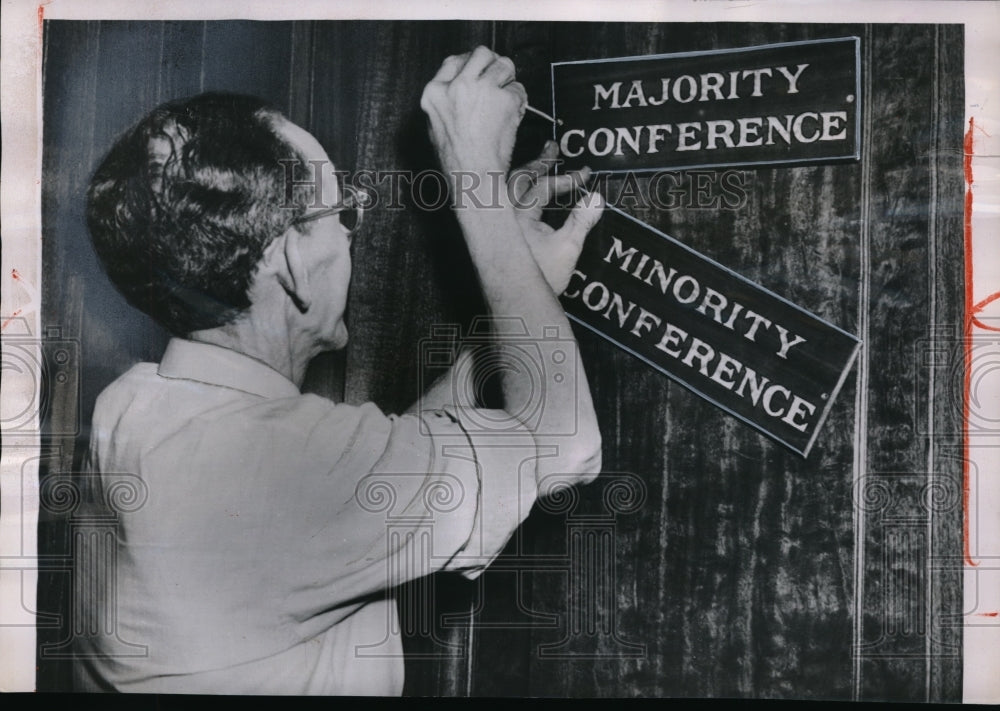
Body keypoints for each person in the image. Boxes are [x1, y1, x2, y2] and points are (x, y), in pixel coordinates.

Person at [72, 46, 604, 694]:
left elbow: (371, 477)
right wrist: (478, 190)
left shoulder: (132, 408)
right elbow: (566, 445)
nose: (351, 233)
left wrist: (516, 287)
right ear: (292, 263)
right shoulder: (285, 468)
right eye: (342, 210)